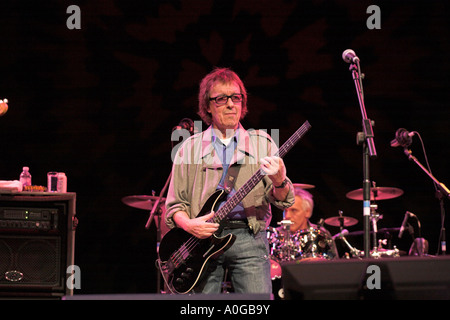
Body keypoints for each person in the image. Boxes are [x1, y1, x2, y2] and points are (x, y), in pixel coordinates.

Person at [164, 67, 295, 294]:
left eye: (236, 97)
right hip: (202, 240)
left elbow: (283, 200)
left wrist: (280, 181)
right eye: (221, 99)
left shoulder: (262, 144)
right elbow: (175, 205)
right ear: (207, 105)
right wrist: (189, 225)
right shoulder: (189, 148)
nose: (231, 104)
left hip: (249, 236)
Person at [277, 186, 338, 260]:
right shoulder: (276, 235)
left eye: (294, 210)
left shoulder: (321, 233)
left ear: (307, 212)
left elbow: (334, 263)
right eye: (285, 210)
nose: (287, 216)